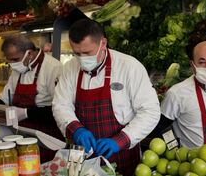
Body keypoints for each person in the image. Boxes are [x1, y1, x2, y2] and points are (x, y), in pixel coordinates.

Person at [52, 18, 160, 176]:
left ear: (103, 43)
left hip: (120, 153)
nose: (81, 59)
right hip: (80, 154)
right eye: (77, 53)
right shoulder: (69, 69)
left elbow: (150, 111)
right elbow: (60, 105)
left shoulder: (129, 67)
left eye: (87, 53)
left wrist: (121, 139)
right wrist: (75, 129)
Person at [0, 35, 63, 161]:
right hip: (21, 133)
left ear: (29, 54)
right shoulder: (18, 69)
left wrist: (26, 113)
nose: (12, 65)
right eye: (9, 61)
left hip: (46, 136)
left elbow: (59, 109)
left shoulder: (53, 68)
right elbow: (3, 99)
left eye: (15, 59)